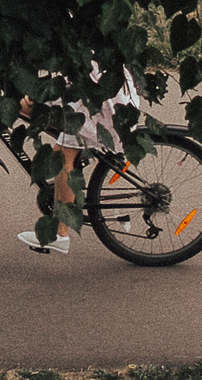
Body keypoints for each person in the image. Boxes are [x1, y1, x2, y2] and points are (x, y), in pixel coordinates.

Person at [16, 65, 140, 255]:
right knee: (31, 107)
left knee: (61, 154)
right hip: (96, 87)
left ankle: (60, 233)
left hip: (93, 95)